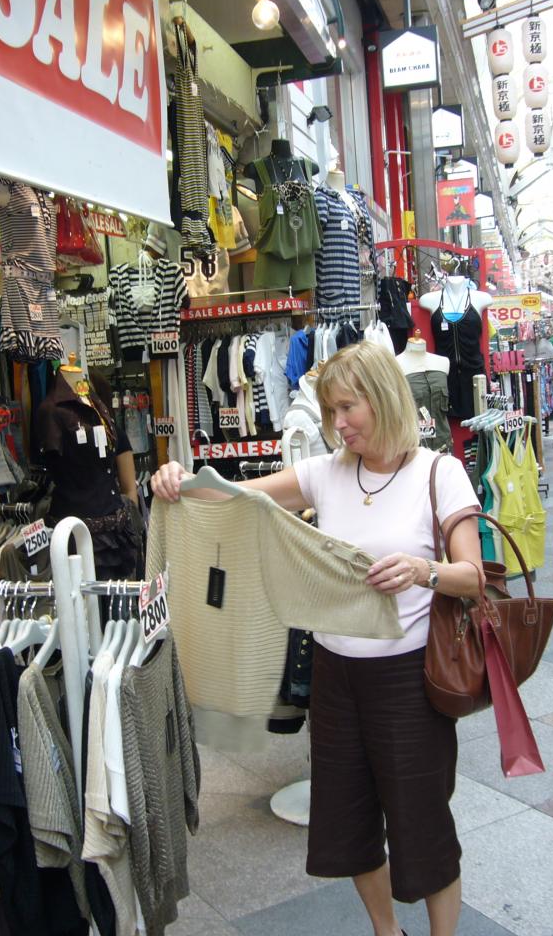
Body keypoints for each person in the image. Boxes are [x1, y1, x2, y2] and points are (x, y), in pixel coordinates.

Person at [151, 341, 484, 936]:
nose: (336, 424)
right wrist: (178, 478)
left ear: (381, 399)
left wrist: (421, 570)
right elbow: (234, 494)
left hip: (409, 681)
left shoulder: (439, 472)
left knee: (421, 823)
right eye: (330, 411)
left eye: (346, 408)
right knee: (350, 822)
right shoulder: (327, 474)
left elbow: (473, 576)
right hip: (336, 679)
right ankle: (388, 932)